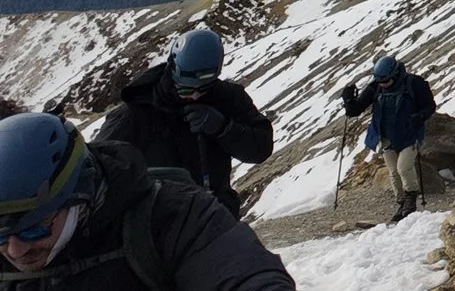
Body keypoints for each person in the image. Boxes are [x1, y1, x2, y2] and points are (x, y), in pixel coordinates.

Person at [0, 110, 293, 289]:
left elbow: (242, 274)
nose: (14, 249)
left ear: (80, 194)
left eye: (34, 227)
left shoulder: (172, 217)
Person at [95, 27, 274, 218]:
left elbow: (261, 148)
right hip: (159, 223)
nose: (195, 95)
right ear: (172, 71)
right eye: (185, 90)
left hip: (215, 215)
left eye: (204, 88)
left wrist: (224, 128)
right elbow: (99, 166)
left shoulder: (228, 99)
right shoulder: (136, 112)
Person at [341, 54, 435, 222]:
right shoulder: (376, 87)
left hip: (409, 133)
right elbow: (355, 110)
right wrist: (348, 100)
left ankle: (410, 201)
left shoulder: (414, 83)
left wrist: (420, 116)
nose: (383, 85)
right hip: (386, 136)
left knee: (403, 167)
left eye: (386, 81)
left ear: (396, 74)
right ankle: (401, 203)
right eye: (380, 82)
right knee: (393, 172)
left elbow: (429, 106)